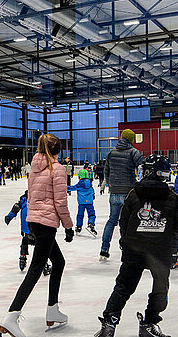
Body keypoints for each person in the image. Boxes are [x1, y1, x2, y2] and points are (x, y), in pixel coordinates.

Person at [0, 134, 74, 337]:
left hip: (34, 221)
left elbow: (31, 196)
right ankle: (11, 317)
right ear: (59, 150)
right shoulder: (57, 169)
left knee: (58, 262)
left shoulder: (34, 168)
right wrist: (68, 226)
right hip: (46, 224)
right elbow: (60, 203)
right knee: (35, 270)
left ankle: (52, 309)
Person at [94, 154, 178, 337]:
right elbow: (177, 229)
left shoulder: (133, 195)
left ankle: (109, 323)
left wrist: (126, 242)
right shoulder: (173, 198)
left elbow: (123, 223)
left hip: (135, 251)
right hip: (160, 253)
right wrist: (173, 251)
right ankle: (149, 322)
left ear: (147, 172)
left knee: (123, 287)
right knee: (160, 288)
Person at [100, 129, 144, 261]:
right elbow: (142, 167)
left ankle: (104, 250)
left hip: (114, 192)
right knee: (130, 222)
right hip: (128, 193)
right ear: (132, 139)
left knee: (112, 221)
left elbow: (106, 171)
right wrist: (138, 182)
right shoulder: (134, 152)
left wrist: (110, 185)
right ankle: (130, 250)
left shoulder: (111, 152)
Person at [4, 190, 52, 276]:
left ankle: (22, 257)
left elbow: (15, 209)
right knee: (41, 246)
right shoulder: (38, 203)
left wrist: (8, 217)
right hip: (36, 230)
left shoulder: (23, 203)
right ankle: (44, 265)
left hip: (25, 232)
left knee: (24, 241)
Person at [68, 169, 97, 237]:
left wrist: (64, 187)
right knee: (91, 214)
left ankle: (79, 227)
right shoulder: (90, 183)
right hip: (89, 202)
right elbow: (92, 190)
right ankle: (91, 224)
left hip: (81, 203)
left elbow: (72, 188)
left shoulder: (79, 184)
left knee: (80, 215)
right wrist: (93, 195)